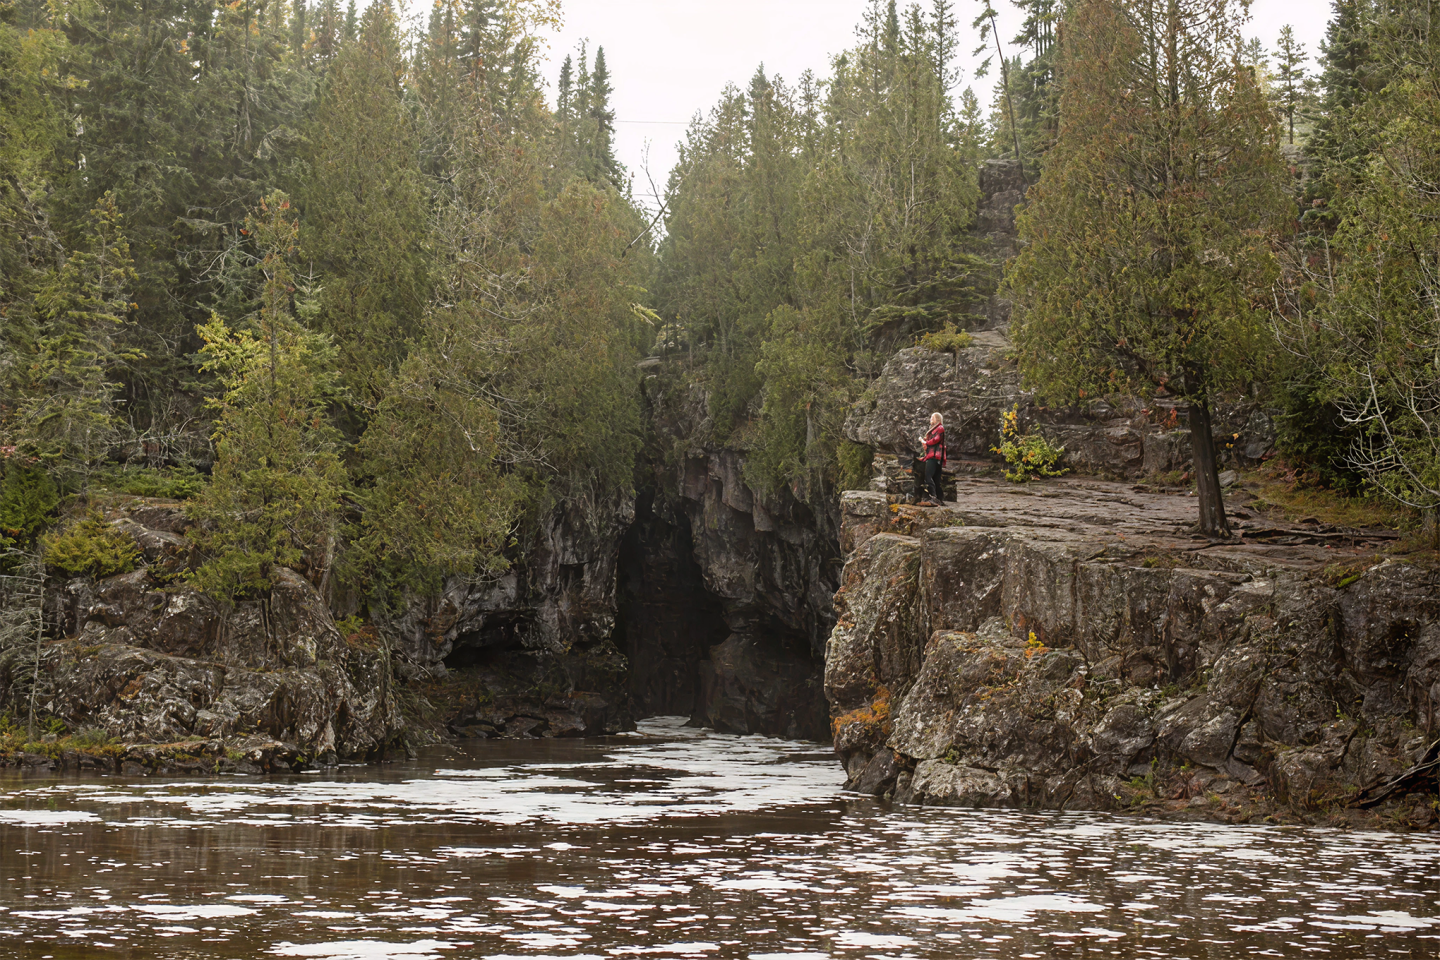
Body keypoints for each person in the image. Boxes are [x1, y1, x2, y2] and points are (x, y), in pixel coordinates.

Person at [917, 412, 946, 505]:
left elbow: (935, 440)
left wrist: (926, 442)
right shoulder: (934, 429)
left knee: (929, 476)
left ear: (937, 419)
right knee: (935, 478)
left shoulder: (940, 428)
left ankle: (934, 497)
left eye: (932, 418)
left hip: (934, 456)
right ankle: (939, 499)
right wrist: (923, 441)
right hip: (933, 456)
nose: (930, 420)